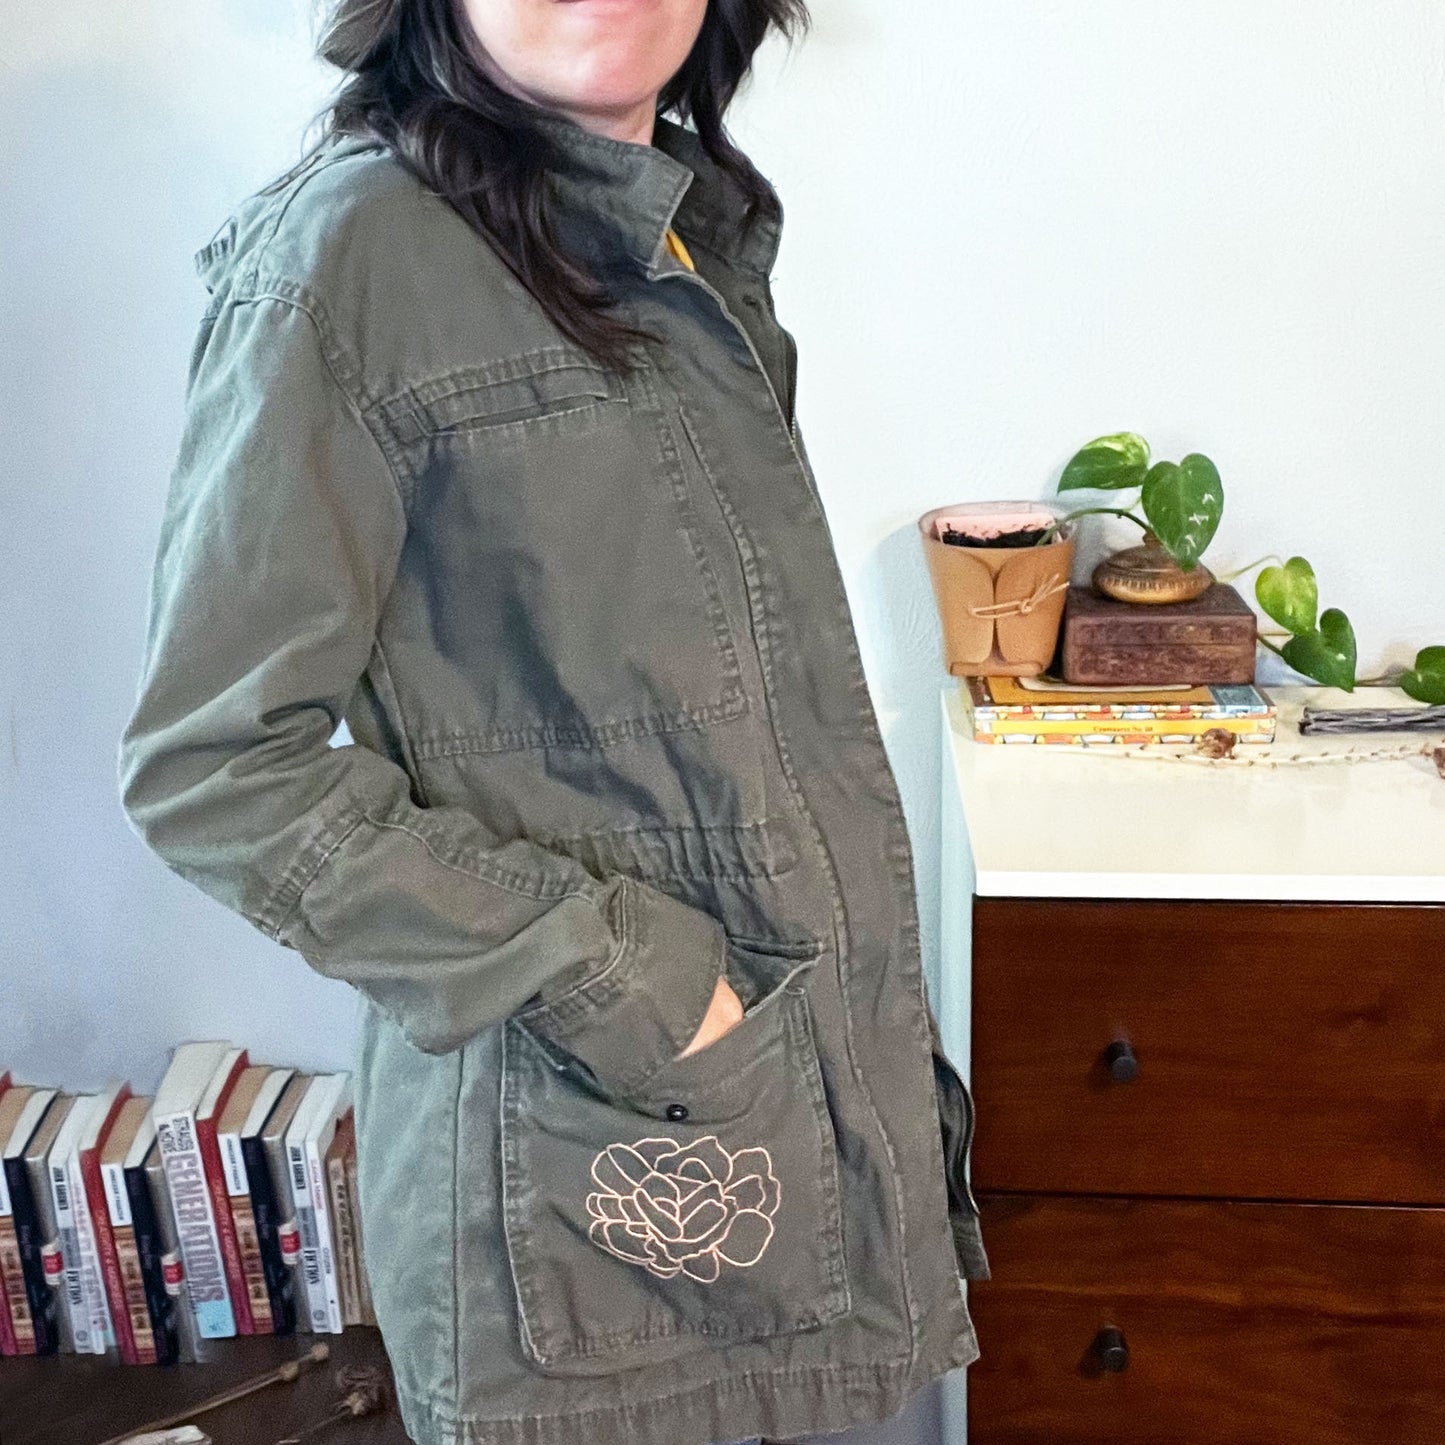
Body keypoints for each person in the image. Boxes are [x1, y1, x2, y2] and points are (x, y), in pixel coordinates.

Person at [116, 0, 989, 1442]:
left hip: (754, 1111)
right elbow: (217, 768)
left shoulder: (674, 227)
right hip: (575, 1177)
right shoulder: (351, 261)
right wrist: (634, 982)